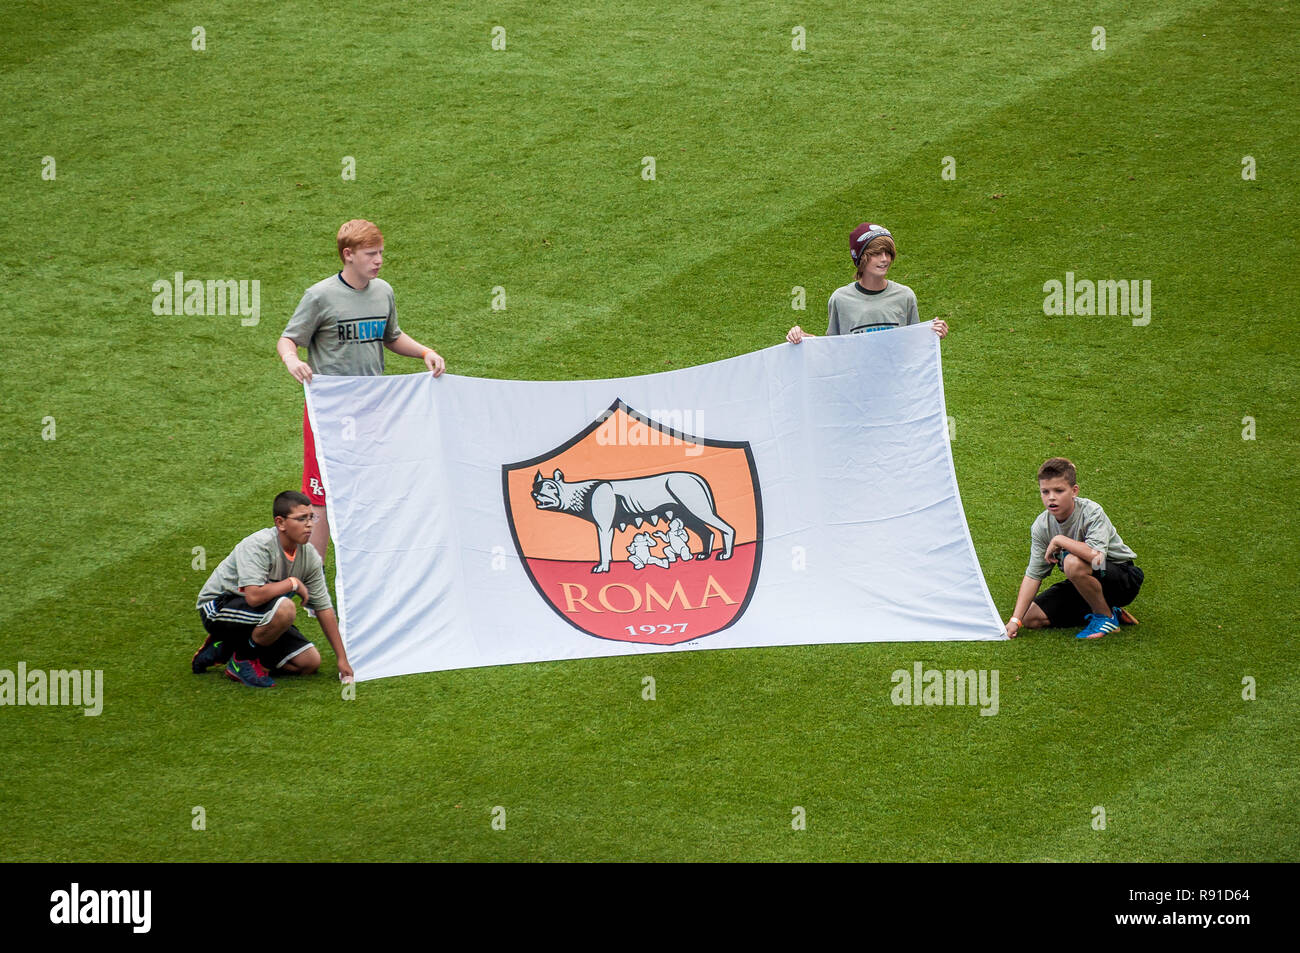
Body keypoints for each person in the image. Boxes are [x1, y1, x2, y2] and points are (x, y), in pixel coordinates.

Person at [277, 219, 446, 559]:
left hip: (374, 405)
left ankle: (372, 561)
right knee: (321, 494)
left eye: (381, 252)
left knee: (373, 483)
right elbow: (288, 339)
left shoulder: (383, 291)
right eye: (371, 254)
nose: (379, 260)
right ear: (348, 254)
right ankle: (313, 579)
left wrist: (425, 352)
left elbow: (392, 336)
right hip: (330, 410)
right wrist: (293, 361)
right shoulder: (320, 296)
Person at [191, 491, 353, 686]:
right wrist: (292, 583)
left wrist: (342, 657)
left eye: (311, 517)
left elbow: (323, 608)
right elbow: (253, 597)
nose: (309, 524)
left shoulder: (309, 557)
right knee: (285, 609)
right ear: (280, 523)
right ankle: (242, 659)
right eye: (301, 518)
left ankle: (228, 647)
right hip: (218, 608)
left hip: (260, 614)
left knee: (309, 663)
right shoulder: (258, 546)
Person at [1004, 457, 1144, 640]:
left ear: (1074, 491)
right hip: (1084, 582)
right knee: (1032, 619)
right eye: (1045, 492)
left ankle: (1105, 617)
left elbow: (1097, 558)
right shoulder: (1041, 526)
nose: (1051, 497)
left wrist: (1060, 540)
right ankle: (1110, 609)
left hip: (1122, 579)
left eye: (1059, 490)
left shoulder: (1092, 512)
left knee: (1072, 562)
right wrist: (1016, 620)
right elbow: (1034, 575)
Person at [787, 223, 948, 343]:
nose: (884, 259)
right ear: (861, 257)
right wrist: (805, 338)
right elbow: (833, 349)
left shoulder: (905, 296)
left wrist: (933, 334)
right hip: (858, 385)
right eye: (877, 253)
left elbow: (914, 344)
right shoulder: (840, 299)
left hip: (895, 385)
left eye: (888, 253)